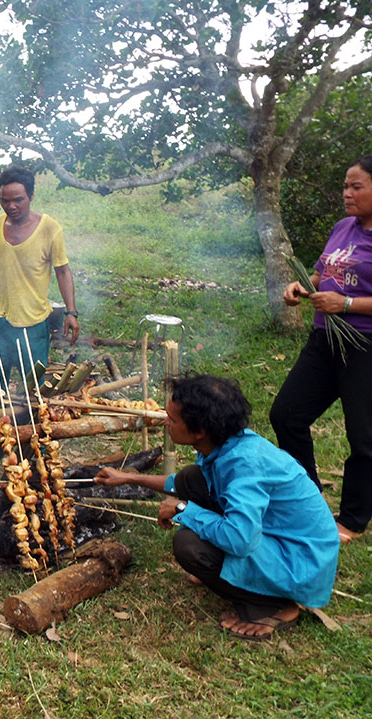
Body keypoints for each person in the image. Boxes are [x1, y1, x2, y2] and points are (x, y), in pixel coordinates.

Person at [96, 374, 338, 641]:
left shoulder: (244, 466)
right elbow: (182, 484)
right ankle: (234, 576)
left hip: (301, 561)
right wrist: (128, 477)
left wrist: (182, 510)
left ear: (199, 431)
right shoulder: (227, 444)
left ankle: (277, 606)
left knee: (189, 544)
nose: (166, 422)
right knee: (192, 479)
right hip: (282, 538)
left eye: (173, 419)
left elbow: (240, 540)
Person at [270, 155, 372, 545]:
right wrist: (302, 288)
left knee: (363, 435)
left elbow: (345, 296)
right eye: (345, 186)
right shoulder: (343, 227)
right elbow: (322, 273)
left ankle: (353, 517)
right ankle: (308, 498)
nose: (346, 193)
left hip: (364, 344)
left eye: (356, 186)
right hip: (324, 338)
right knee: (286, 414)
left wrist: (345, 304)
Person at [0, 166, 79, 388]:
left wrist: (71, 312)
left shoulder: (49, 228)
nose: (11, 206)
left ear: (31, 196)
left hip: (33, 323)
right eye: (4, 200)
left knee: (34, 389)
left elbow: (63, 271)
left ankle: (33, 423)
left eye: (18, 200)